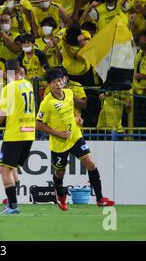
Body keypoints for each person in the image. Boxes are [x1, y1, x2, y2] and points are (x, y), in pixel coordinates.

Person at [36, 68, 115, 211]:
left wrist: (76, 117)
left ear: (64, 80)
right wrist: (57, 133)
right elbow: (38, 124)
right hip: (59, 143)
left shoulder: (69, 93)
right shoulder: (46, 103)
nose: (58, 84)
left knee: (90, 164)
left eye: (60, 80)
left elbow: (70, 108)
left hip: (75, 136)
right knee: (60, 172)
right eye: (54, 82)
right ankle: (60, 195)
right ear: (49, 85)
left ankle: (100, 198)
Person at [0, 60, 36, 214]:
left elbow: (3, 113)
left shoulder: (10, 87)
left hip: (15, 134)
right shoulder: (28, 85)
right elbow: (13, 107)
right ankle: (12, 202)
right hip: (29, 132)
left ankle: (12, 205)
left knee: (4, 168)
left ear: (7, 72)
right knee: (11, 168)